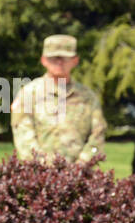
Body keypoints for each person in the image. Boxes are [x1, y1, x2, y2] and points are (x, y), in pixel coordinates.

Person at [11, 34, 107, 164]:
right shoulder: (28, 94)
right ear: (43, 60)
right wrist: (45, 167)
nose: (59, 62)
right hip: (39, 176)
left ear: (75, 60)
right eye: (53, 58)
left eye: (64, 57)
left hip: (80, 177)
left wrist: (80, 167)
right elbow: (23, 137)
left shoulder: (88, 97)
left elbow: (98, 134)